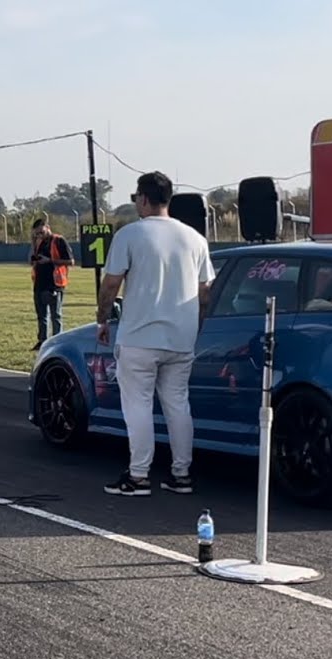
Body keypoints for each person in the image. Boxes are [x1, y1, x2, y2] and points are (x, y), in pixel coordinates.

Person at [94, 171, 215, 497]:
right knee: (178, 405)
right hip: (181, 338)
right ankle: (181, 473)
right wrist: (195, 326)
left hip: (140, 336)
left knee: (138, 405)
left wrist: (102, 319)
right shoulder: (195, 239)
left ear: (144, 198)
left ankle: (138, 475)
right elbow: (205, 293)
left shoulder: (130, 235)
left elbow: (111, 284)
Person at [29, 217, 74, 350]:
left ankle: (57, 341)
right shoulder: (38, 242)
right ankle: (42, 341)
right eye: (37, 233)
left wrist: (50, 260)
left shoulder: (59, 240)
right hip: (39, 283)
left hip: (55, 283)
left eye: (41, 232)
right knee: (41, 315)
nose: (39, 235)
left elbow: (70, 261)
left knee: (55, 315)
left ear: (48, 228)